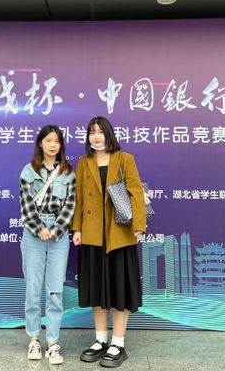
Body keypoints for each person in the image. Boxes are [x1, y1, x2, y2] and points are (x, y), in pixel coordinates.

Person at [71, 116, 146, 368]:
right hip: (92, 235)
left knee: (119, 290)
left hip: (119, 235)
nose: (96, 136)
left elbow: (136, 192)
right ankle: (100, 340)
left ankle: (118, 343)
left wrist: (138, 224)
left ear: (109, 134)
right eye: (91, 132)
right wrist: (77, 228)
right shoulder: (84, 162)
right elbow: (79, 198)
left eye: (100, 132)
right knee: (97, 290)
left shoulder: (125, 159)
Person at [19, 125, 76, 365]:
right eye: (48, 140)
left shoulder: (68, 172)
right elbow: (26, 205)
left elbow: (70, 205)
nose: (53, 145)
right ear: (40, 143)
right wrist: (39, 228)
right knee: (33, 290)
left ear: (61, 145)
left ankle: (52, 343)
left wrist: (54, 230)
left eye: (57, 141)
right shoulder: (28, 171)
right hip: (33, 234)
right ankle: (34, 339)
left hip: (58, 236)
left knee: (55, 291)